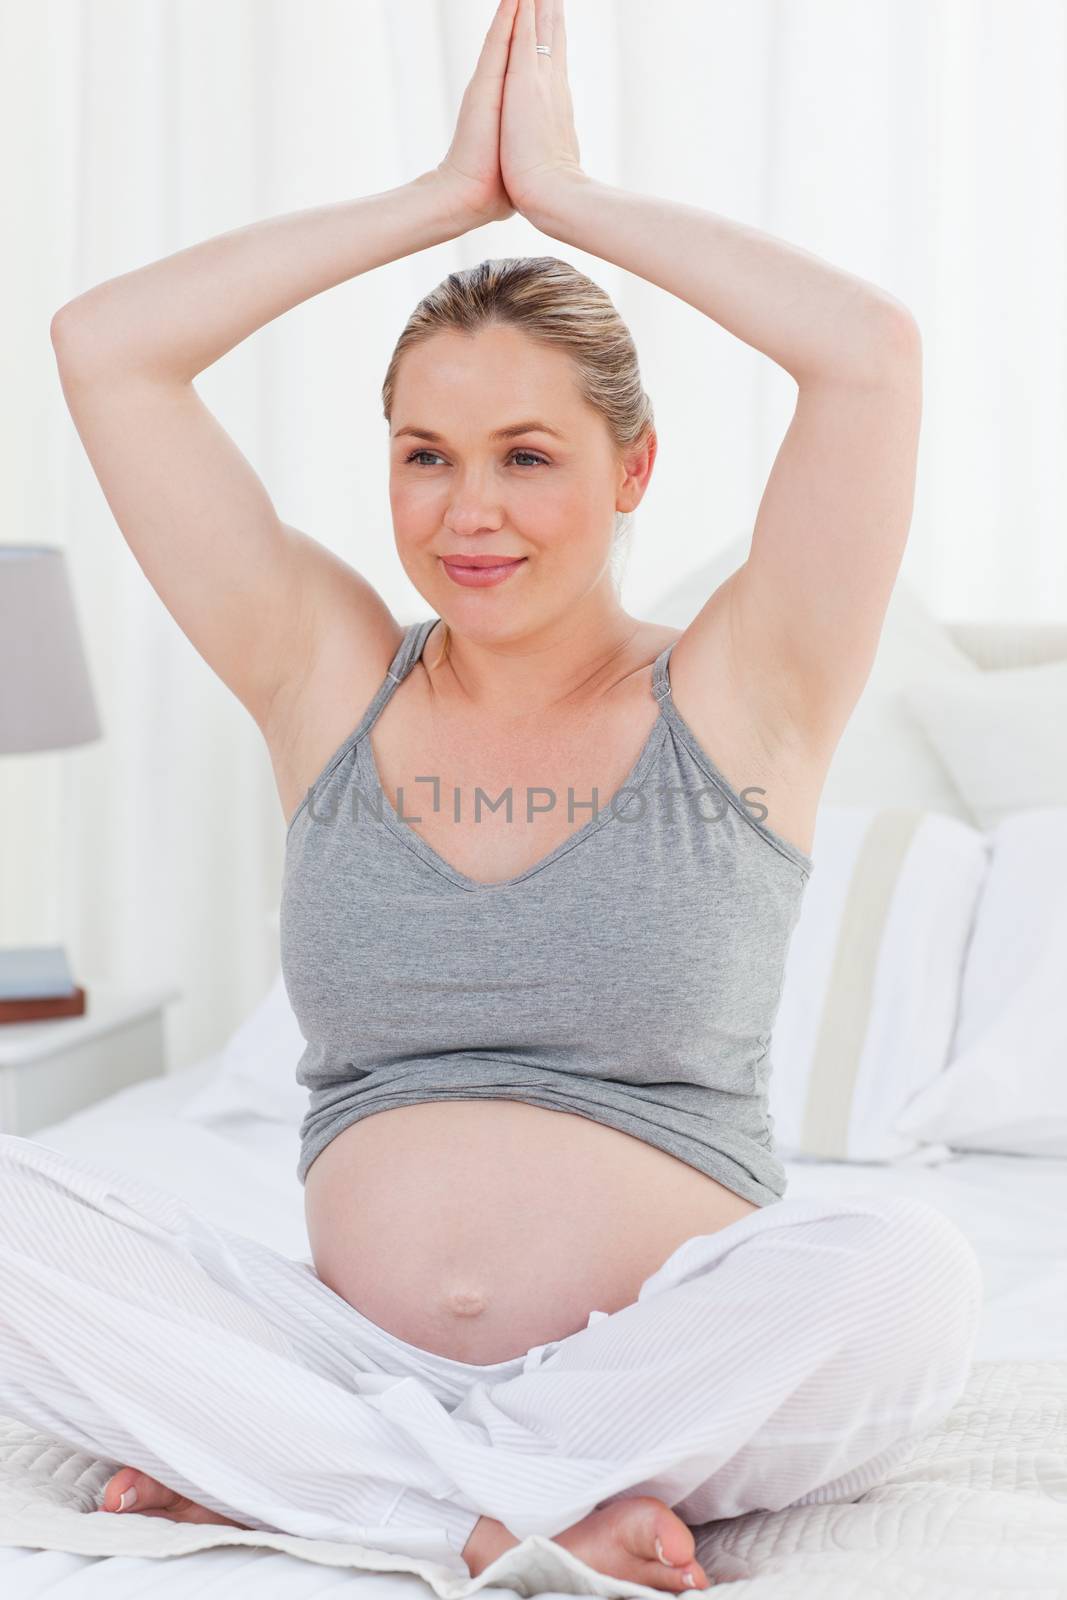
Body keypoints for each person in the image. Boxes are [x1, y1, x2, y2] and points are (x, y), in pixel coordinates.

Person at [15, 0, 980, 1588]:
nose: (469, 513)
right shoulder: (325, 676)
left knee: (910, 1274)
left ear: (634, 471)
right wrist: (440, 199)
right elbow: (105, 347)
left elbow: (868, 358)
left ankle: (320, 1480)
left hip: (669, 1369)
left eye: (527, 455)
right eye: (424, 455)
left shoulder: (745, 691)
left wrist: (570, 196)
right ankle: (484, 1508)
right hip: (338, 1347)